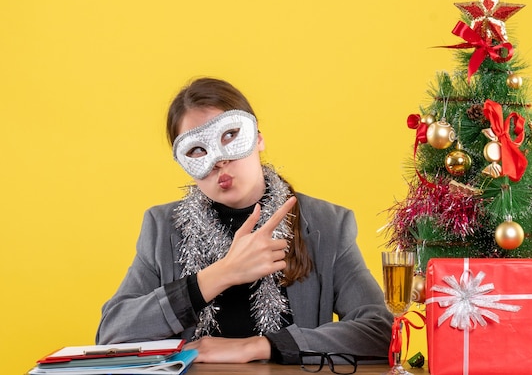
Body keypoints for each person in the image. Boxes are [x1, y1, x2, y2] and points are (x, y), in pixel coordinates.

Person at [96, 77, 393, 364]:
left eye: (230, 135)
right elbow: (111, 334)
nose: (219, 161)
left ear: (259, 138)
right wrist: (221, 275)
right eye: (197, 150)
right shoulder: (162, 228)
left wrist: (257, 347)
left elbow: (380, 332)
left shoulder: (328, 225)